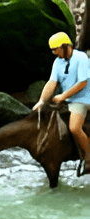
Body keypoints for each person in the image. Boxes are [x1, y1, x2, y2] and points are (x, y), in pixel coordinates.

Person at [33, 32, 90, 173]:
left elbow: (83, 82)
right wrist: (42, 101)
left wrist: (63, 96)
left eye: (55, 49)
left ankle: (89, 157)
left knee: (74, 127)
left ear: (65, 46)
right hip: (67, 100)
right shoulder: (58, 62)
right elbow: (52, 82)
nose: (54, 52)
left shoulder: (81, 57)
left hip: (83, 99)